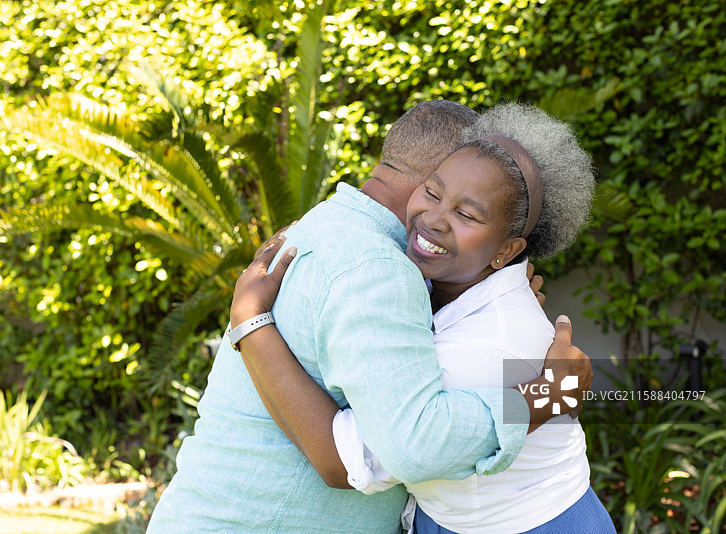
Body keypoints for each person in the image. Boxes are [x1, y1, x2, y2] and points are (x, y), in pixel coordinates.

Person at [147, 101, 592, 533]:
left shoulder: (327, 225)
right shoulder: (380, 271)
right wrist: (543, 398)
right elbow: (404, 447)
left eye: (467, 211)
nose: (438, 216)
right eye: (436, 192)